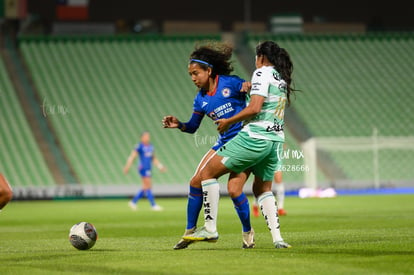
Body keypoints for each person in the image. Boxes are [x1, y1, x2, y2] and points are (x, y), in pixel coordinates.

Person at [184, 40, 296, 249]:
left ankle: (209, 228)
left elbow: (254, 108)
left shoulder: (261, 73)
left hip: (254, 137)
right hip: (275, 140)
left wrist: (229, 121)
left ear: (261, 57)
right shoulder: (280, 78)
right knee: (256, 189)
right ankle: (278, 239)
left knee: (206, 174)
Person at [162, 41, 254, 249]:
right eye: (191, 75)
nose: (193, 78)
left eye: (196, 73)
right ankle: (189, 232)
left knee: (229, 188)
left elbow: (251, 92)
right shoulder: (200, 99)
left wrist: (248, 87)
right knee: (197, 182)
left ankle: (242, 231)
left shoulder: (230, 83)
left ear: (209, 70)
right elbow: (193, 127)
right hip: (223, 143)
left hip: (242, 142)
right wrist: (179, 125)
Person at [123, 131, 166, 211]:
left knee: (145, 187)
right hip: (143, 168)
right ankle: (153, 205)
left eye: (148, 136)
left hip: (148, 168)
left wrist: (160, 166)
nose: (148, 138)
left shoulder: (151, 147)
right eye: (146, 136)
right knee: (148, 186)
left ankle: (133, 202)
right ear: (142, 138)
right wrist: (127, 166)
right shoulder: (139, 146)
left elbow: (154, 158)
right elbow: (132, 156)